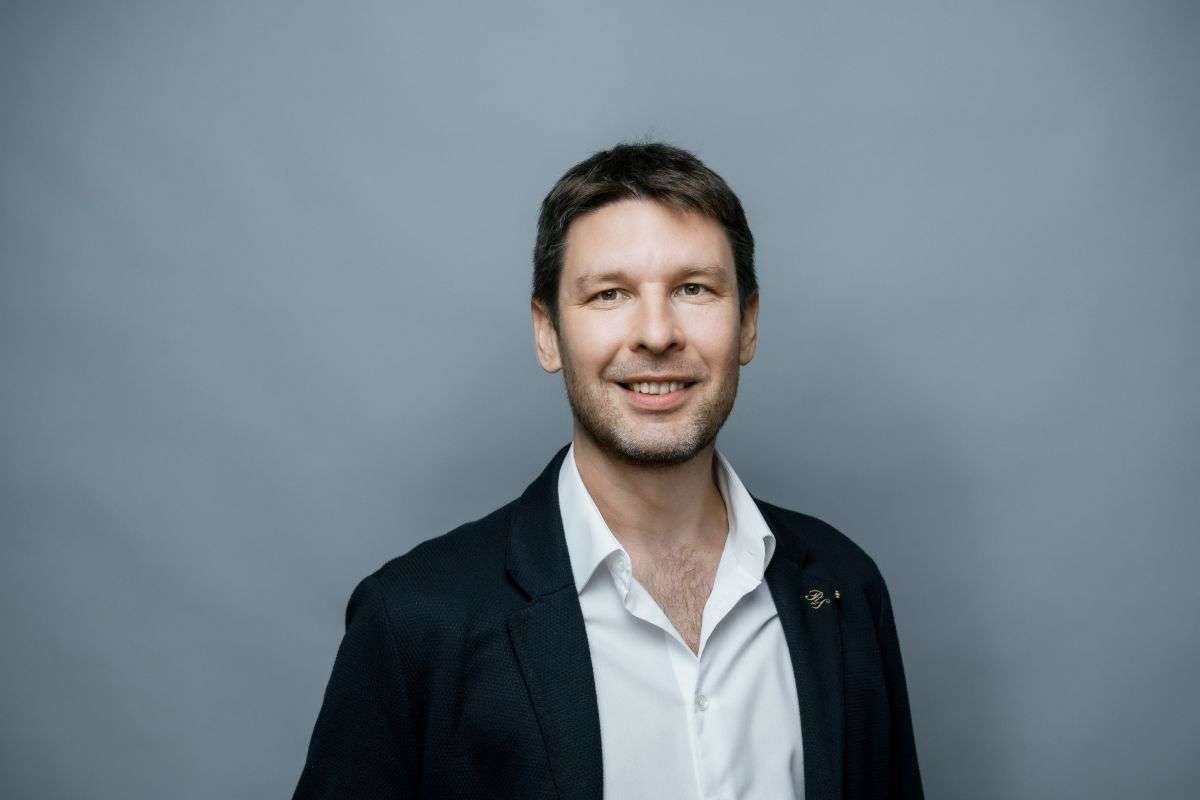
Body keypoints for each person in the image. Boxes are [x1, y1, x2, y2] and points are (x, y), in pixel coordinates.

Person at [293, 142, 924, 799]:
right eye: (610, 294)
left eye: (693, 289)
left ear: (748, 324)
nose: (656, 334)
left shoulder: (843, 587)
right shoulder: (414, 621)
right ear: (547, 333)